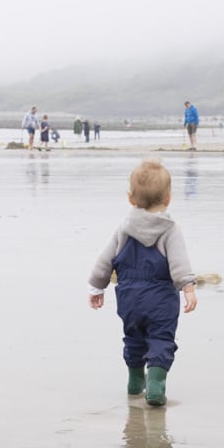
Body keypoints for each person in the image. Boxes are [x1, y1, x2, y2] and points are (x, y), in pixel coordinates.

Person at [88, 159, 197, 406]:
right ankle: (156, 385)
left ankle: (135, 381)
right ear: (168, 199)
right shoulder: (170, 230)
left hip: (129, 299)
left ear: (130, 199)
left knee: (133, 339)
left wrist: (97, 287)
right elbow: (179, 264)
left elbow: (104, 260)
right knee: (161, 339)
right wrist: (188, 288)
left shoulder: (124, 229)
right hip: (161, 301)